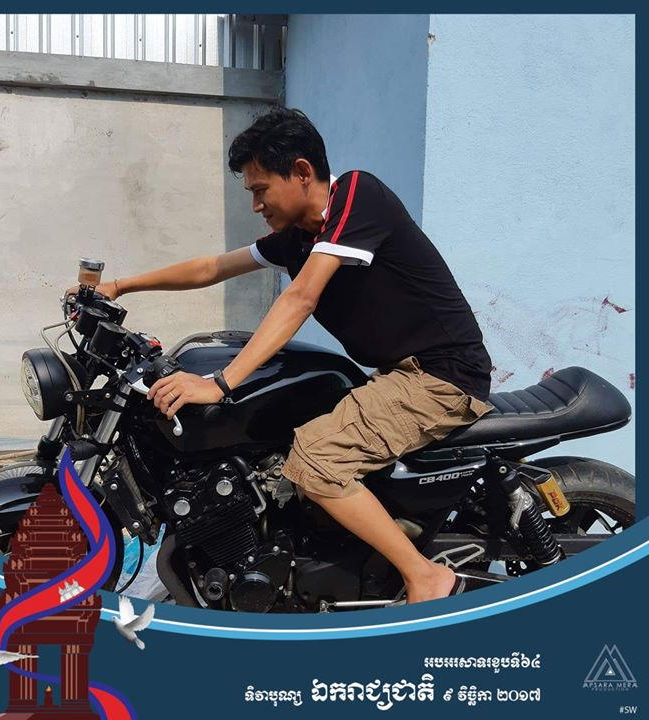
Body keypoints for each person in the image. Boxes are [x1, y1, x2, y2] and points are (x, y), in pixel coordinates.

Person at [76, 108, 494, 604]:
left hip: (441, 378)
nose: (255, 205)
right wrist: (121, 286)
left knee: (316, 460)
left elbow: (301, 297)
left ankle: (425, 576)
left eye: (260, 190)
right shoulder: (298, 239)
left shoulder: (357, 195)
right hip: (397, 375)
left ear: (301, 172)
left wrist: (220, 383)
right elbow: (213, 267)